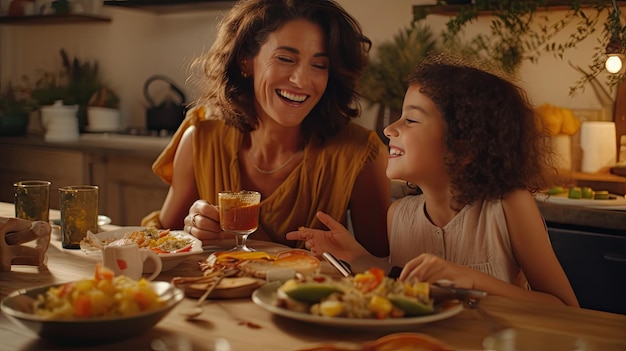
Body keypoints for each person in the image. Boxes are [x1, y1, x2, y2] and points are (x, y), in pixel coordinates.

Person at [287, 54, 579, 307]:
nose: (389, 129)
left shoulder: (509, 206)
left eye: (410, 120)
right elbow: (402, 283)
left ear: (465, 144)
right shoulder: (399, 215)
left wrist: (468, 278)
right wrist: (358, 256)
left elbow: (566, 308)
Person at [141, 0, 391, 256]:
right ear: (245, 61)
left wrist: (242, 235)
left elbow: (380, 271)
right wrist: (193, 228)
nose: (301, 80)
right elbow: (159, 246)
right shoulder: (202, 138)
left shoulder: (361, 153)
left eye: (319, 65)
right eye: (285, 58)